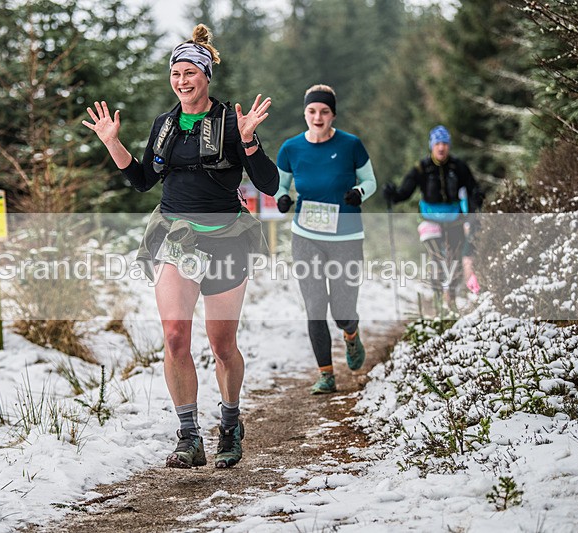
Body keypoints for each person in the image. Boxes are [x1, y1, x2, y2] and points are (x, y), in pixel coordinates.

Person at [82, 24, 278, 469]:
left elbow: (269, 183)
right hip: (174, 238)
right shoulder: (165, 125)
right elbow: (142, 181)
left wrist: (249, 140)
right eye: (176, 73)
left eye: (191, 72)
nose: (182, 81)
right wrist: (113, 144)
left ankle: (230, 422)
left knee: (222, 344)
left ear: (207, 76)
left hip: (227, 238)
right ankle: (188, 435)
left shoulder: (231, 120)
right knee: (174, 338)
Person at [274, 84, 377, 395]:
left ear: (333, 115)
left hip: (346, 235)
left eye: (324, 111)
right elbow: (280, 186)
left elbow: (370, 180)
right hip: (306, 235)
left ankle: (351, 333)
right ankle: (326, 374)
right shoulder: (291, 148)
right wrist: (281, 198)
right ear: (305, 113)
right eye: (312, 111)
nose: (317, 117)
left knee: (342, 309)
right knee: (315, 306)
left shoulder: (351, 145)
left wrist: (358, 193)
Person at [383, 125, 483, 310]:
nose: (441, 147)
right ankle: (438, 300)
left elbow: (472, 188)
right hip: (430, 220)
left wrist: (476, 199)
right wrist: (393, 195)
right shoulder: (421, 168)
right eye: (438, 143)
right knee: (437, 259)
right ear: (432, 146)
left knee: (455, 260)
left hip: (454, 219)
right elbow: (405, 192)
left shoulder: (458, 167)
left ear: (449, 146)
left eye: (445, 143)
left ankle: (450, 298)